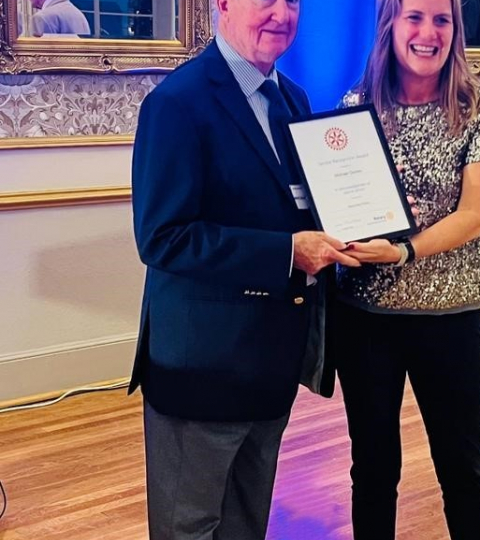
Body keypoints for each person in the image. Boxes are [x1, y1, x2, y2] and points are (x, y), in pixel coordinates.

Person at [129, 0, 360, 538]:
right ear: (223, 5)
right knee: (189, 525)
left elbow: (301, 207)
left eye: (292, 1)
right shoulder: (177, 103)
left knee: (247, 522)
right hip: (202, 368)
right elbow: (163, 238)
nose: (281, 13)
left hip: (271, 361)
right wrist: (286, 253)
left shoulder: (294, 100)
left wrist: (376, 217)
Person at [333, 0, 480, 537]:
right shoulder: (355, 105)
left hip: (448, 319)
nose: (428, 32)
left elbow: (473, 216)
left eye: (442, 20)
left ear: (455, 30)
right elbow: (338, 198)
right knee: (373, 469)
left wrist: (403, 251)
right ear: (391, 24)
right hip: (365, 317)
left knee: (460, 470)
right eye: (415, 17)